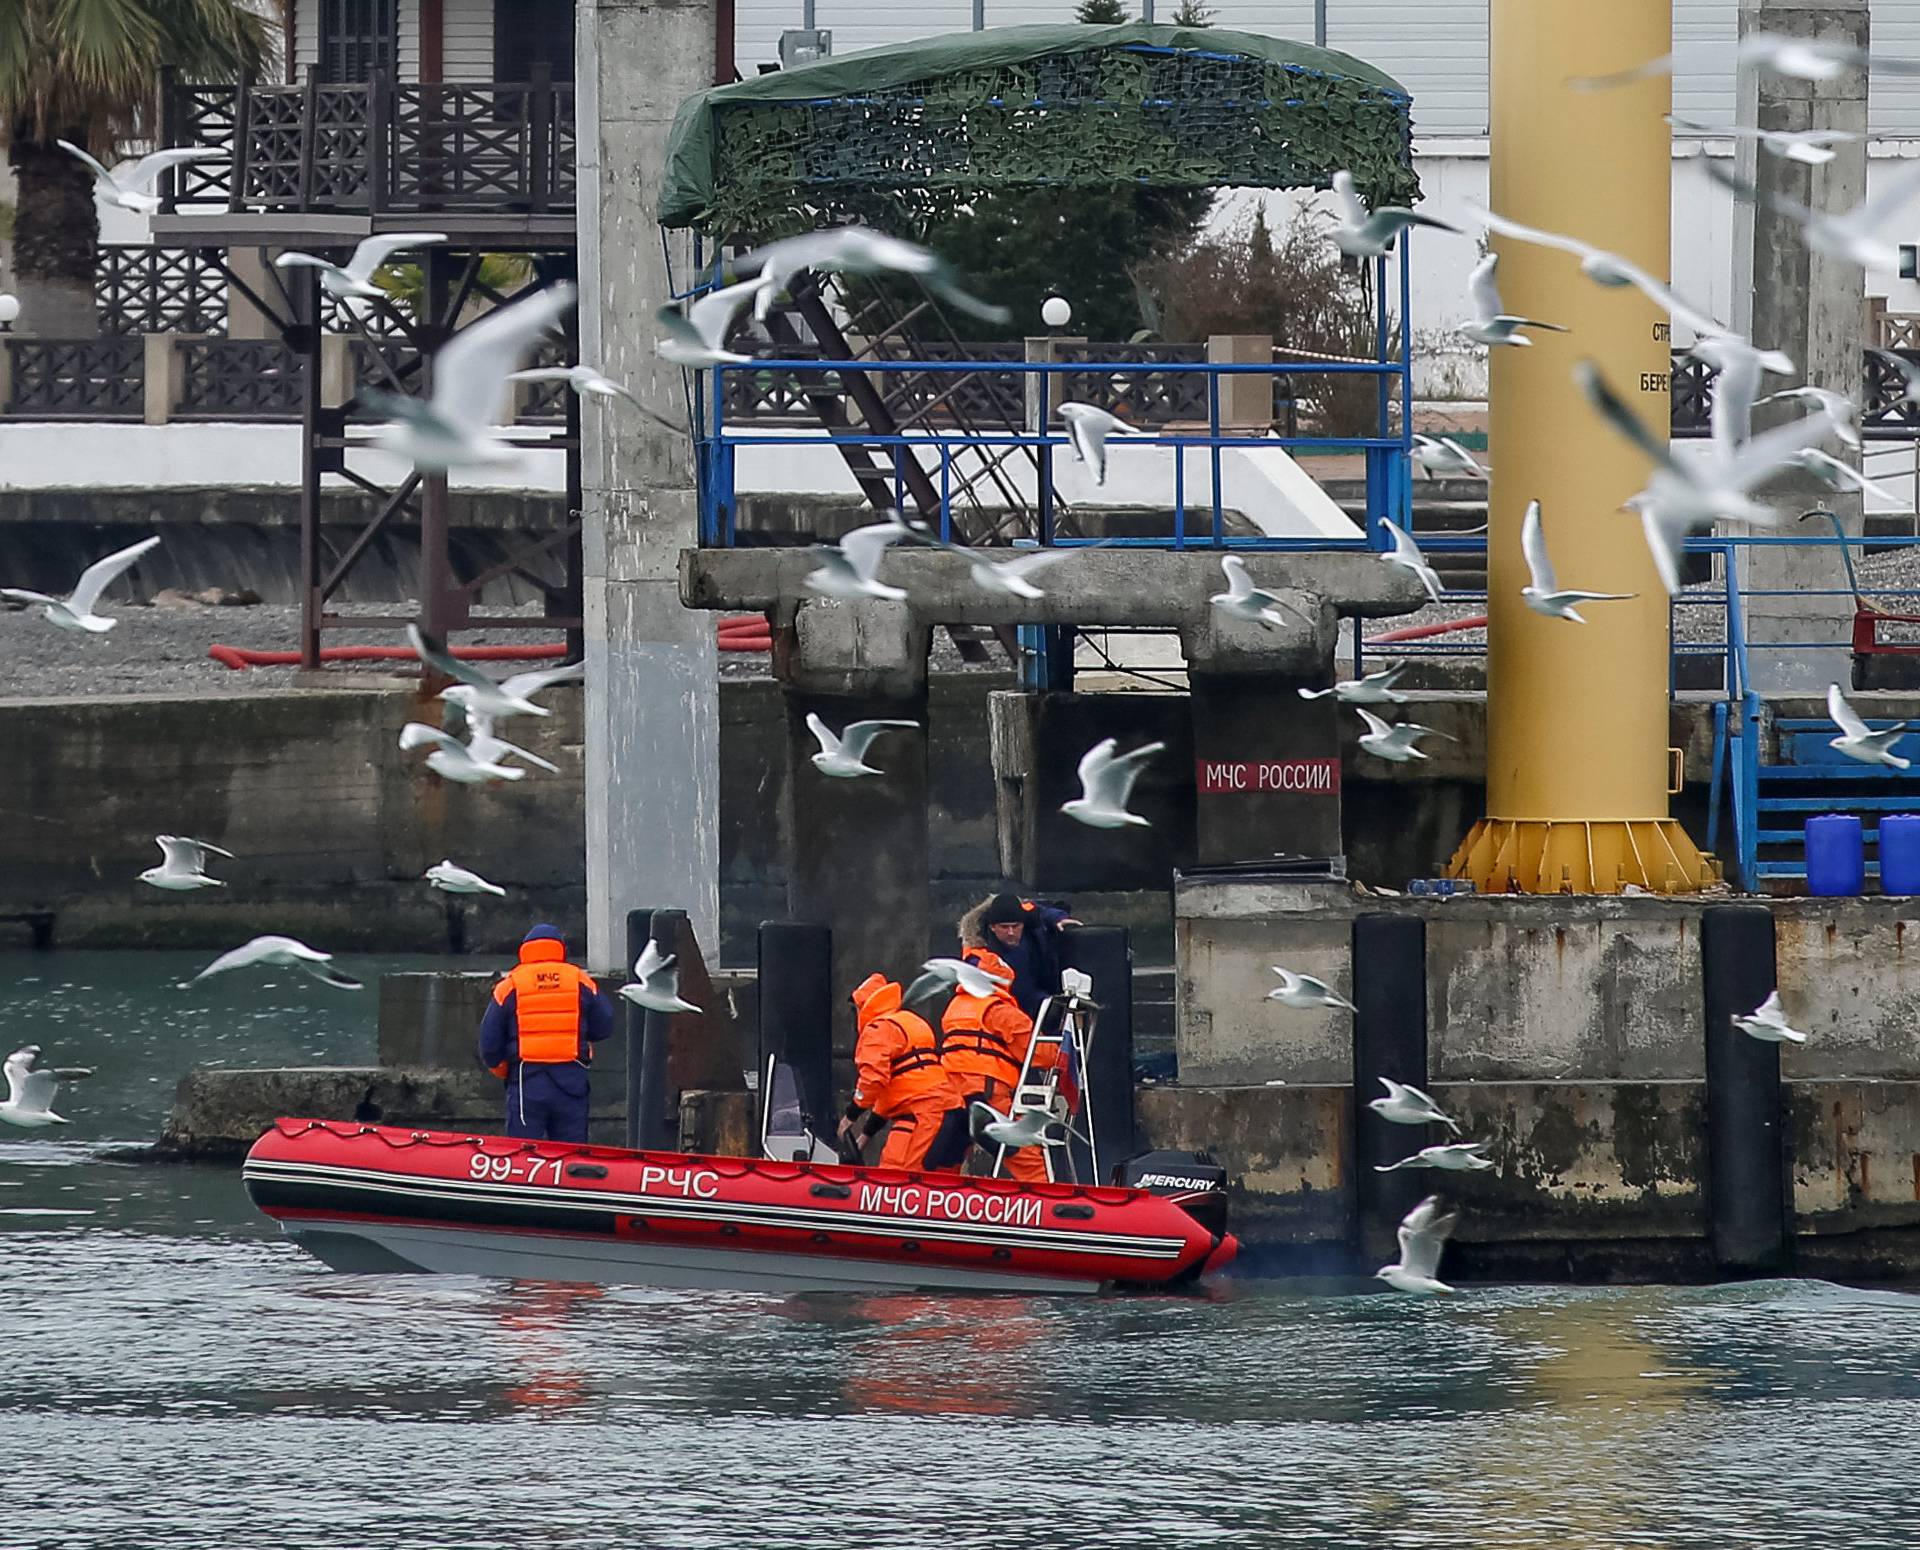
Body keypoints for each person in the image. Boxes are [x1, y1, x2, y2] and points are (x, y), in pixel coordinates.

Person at [478, 924, 616, 1143]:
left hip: (526, 1081)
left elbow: (489, 1043)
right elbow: (605, 1025)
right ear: (561, 949)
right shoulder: (580, 980)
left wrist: (505, 1071)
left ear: (525, 950)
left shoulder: (510, 984)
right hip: (571, 1080)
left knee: (522, 1155)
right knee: (571, 1157)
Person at [939, 946, 1052, 1183]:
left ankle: (933, 1201)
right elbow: (1037, 1052)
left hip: (950, 1093)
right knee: (1024, 1155)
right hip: (986, 1092)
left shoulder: (954, 1007)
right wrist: (1065, 1051)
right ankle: (1048, 1204)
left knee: (947, 1154)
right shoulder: (999, 1010)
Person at [841, 971, 968, 1171]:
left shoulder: (877, 1029)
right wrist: (866, 1134)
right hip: (950, 1113)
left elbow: (873, 1079)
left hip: (921, 1120)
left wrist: (851, 1114)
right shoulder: (910, 1021)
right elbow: (900, 1086)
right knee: (942, 1186)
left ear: (862, 1007)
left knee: (903, 1184)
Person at [959, 892, 1079, 1019]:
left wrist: (1058, 918)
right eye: (1004, 927)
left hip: (1039, 999)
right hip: (1003, 1010)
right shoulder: (978, 955)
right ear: (992, 927)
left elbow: (1040, 911)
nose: (1011, 932)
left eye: (1016, 926)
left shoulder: (1032, 931)